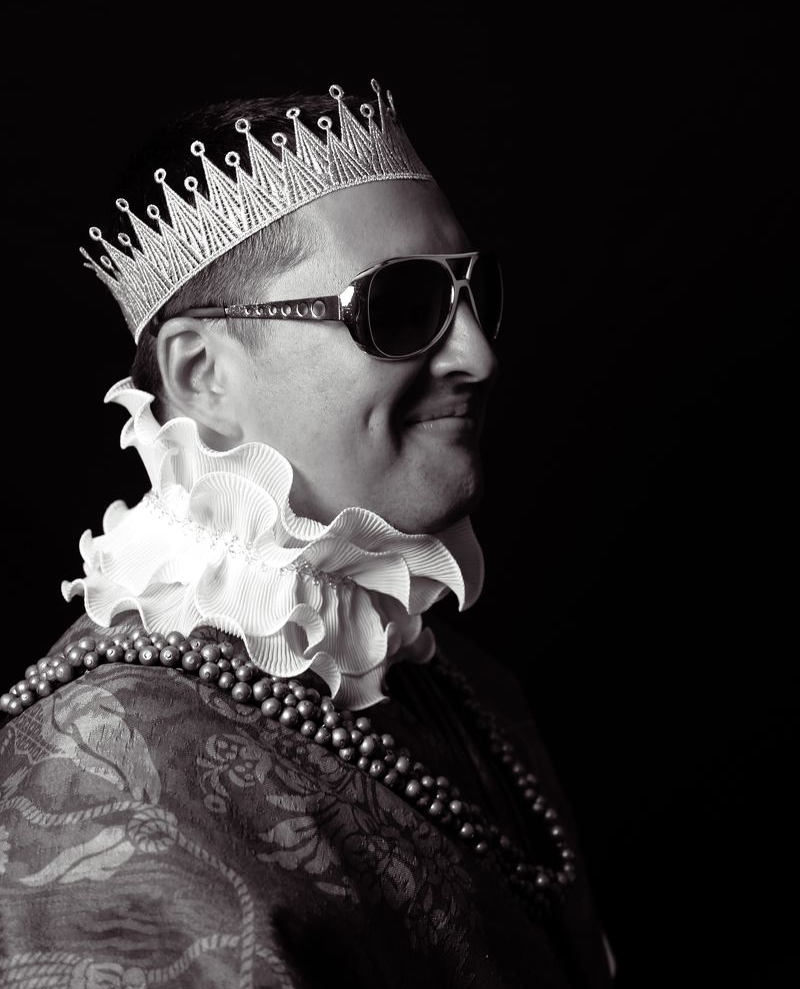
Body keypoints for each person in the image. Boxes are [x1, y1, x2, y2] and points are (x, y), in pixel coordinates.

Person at [0, 79, 614, 988]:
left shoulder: (454, 681)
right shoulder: (97, 776)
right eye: (398, 306)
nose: (478, 355)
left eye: (473, 291)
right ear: (202, 374)